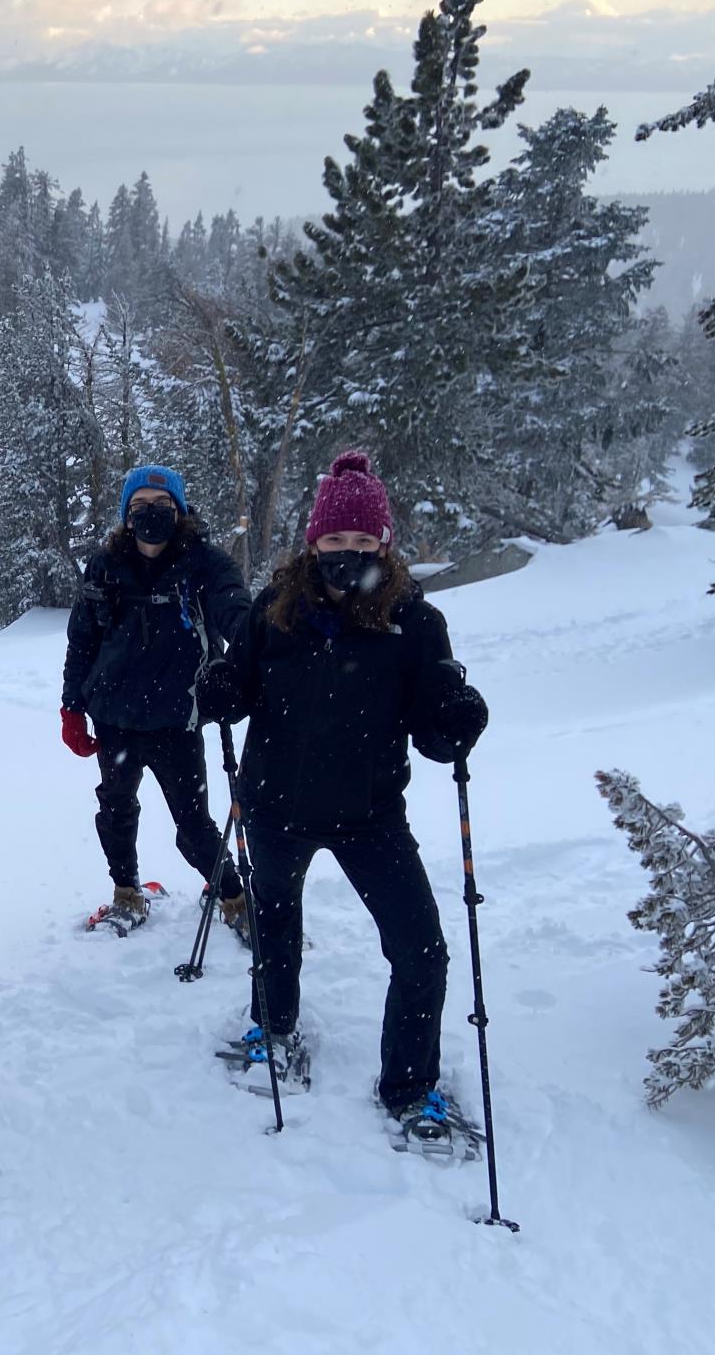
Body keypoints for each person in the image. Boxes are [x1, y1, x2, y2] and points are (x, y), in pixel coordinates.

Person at [194, 451, 490, 1146]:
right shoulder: (273, 611)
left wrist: (456, 721)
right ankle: (275, 1026)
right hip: (274, 804)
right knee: (274, 924)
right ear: (312, 543)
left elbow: (435, 731)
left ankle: (411, 1086)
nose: (347, 555)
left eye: (362, 543)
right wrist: (219, 692)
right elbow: (236, 684)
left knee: (422, 951)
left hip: (371, 816)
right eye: (334, 542)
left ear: (383, 545)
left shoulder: (414, 621)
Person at [61, 465, 251, 932]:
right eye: (141, 505)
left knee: (194, 829)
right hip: (114, 720)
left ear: (180, 511)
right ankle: (126, 893)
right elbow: (82, 640)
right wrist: (71, 707)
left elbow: (235, 609)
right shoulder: (104, 567)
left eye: (163, 506)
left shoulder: (205, 563)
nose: (151, 514)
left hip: (178, 721)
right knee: (116, 810)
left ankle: (234, 898)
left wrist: (247, 649)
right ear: (127, 513)